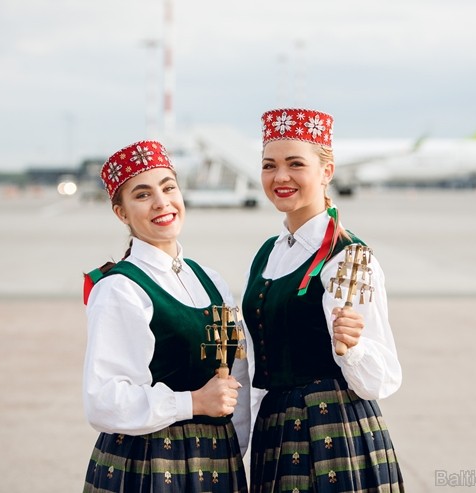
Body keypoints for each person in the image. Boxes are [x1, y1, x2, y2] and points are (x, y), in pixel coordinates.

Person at [243, 109, 404, 492]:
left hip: (332, 426)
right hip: (274, 428)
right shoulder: (269, 252)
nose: (280, 177)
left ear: (326, 171)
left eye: (295, 164)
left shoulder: (348, 256)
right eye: (269, 166)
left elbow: (383, 378)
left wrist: (353, 348)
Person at [81, 140, 250, 493]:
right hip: (149, 461)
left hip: (217, 459)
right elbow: (104, 401)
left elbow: (236, 377)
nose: (161, 202)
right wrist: (193, 402)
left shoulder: (211, 279)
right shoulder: (120, 288)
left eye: (168, 187)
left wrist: (234, 449)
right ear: (121, 213)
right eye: (142, 195)